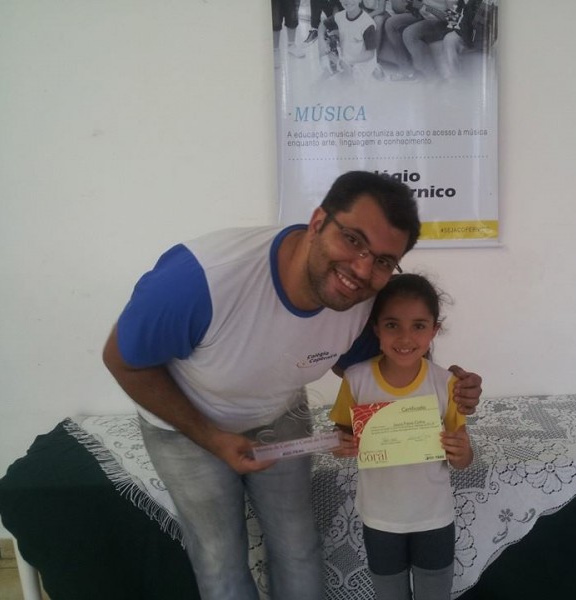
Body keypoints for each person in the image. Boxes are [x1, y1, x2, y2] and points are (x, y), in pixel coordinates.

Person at [102, 170, 482, 600]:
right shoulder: (200, 280)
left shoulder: (365, 302)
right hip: (185, 424)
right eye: (352, 239)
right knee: (218, 556)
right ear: (317, 221)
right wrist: (210, 436)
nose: (361, 269)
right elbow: (122, 361)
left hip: (279, 412)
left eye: (382, 261)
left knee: (298, 544)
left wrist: (450, 388)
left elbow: (386, 370)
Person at [329, 273, 473, 600]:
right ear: (376, 329)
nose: (405, 337)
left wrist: (462, 451)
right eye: (392, 325)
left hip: (434, 517)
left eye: (419, 325)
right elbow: (341, 437)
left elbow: (463, 459)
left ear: (434, 330)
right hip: (380, 519)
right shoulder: (356, 379)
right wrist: (340, 445)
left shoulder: (446, 384)